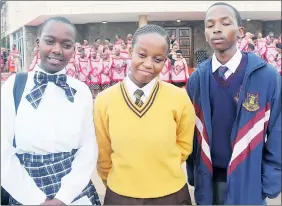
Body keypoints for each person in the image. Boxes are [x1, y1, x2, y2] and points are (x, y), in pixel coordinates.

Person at [186, 2, 281, 205]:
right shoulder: (197, 79)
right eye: (210, 25)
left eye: (225, 23)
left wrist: (269, 182)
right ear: (205, 33)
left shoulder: (267, 76)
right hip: (208, 183)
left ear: (240, 32)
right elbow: (190, 132)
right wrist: (193, 173)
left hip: (249, 183)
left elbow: (278, 131)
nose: (216, 29)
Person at [1, 16, 100, 205]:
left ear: (73, 49)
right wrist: (36, 199)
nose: (57, 49)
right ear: (38, 44)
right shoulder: (14, 86)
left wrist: (63, 197)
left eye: (66, 44)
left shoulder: (81, 91)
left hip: (74, 191)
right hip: (25, 189)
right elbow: (3, 150)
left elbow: (88, 147)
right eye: (49, 41)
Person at [94, 24, 195, 205]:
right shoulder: (104, 100)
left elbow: (184, 145)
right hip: (121, 195)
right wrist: (119, 181)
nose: (148, 64)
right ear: (130, 51)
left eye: (158, 59)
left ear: (165, 61)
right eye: (142, 55)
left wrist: (160, 167)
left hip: (171, 195)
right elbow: (103, 152)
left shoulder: (179, 98)